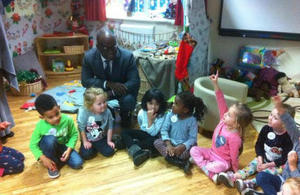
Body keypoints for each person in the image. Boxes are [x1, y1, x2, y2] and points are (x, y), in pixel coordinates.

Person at [217, 96, 294, 193]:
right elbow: (259, 145)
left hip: (277, 165)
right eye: (270, 114)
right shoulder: (266, 129)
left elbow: (284, 159)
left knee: (267, 173)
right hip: (264, 159)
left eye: (275, 118)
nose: (270, 118)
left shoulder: (288, 138)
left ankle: (250, 183)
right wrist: (260, 158)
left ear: (284, 124)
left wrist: (267, 165)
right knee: (252, 165)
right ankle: (234, 178)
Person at [190, 72, 253, 183]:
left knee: (219, 167)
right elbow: (220, 100)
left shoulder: (235, 138)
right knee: (193, 150)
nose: (225, 114)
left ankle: (207, 168)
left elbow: (234, 157)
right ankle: (211, 173)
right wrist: (215, 84)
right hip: (211, 153)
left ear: (236, 123)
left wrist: (235, 170)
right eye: (227, 112)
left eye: (229, 114)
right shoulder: (223, 121)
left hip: (223, 161)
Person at [81, 27, 140, 128]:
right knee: (88, 96)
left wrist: (112, 92)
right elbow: (85, 81)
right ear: (98, 47)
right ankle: (107, 112)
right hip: (102, 90)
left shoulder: (127, 56)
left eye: (113, 47)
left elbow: (134, 81)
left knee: (128, 100)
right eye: (106, 48)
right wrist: (107, 84)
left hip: (122, 90)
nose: (111, 51)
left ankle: (125, 116)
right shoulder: (89, 57)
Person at [242, 96, 300, 195]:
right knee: (261, 177)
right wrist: (279, 106)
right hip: (282, 180)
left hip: (293, 189)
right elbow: (290, 125)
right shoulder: (297, 141)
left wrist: (293, 166)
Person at [29, 94, 83, 179]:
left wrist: (69, 150)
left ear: (59, 108)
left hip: (63, 146)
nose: (55, 118)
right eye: (50, 117)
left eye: (57, 113)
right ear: (42, 117)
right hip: (49, 145)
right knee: (50, 139)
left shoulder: (67, 119)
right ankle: (52, 162)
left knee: (78, 163)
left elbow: (74, 134)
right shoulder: (40, 126)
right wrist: (43, 158)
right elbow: (32, 145)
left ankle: (57, 159)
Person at [153, 90, 206, 174]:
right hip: (171, 142)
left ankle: (170, 158)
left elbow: (193, 138)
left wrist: (183, 146)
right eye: (174, 102)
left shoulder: (192, 120)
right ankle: (181, 163)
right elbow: (164, 130)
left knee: (192, 150)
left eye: (176, 104)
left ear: (185, 110)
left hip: (183, 146)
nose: (172, 105)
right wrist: (169, 145)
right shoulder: (170, 114)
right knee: (157, 142)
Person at [121, 88, 167, 166]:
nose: (153, 107)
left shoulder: (162, 116)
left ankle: (129, 145)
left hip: (155, 138)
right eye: (150, 103)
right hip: (145, 134)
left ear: (161, 104)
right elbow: (141, 128)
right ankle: (137, 152)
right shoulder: (141, 112)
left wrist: (150, 120)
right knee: (124, 132)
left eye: (157, 104)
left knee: (154, 143)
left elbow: (153, 134)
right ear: (146, 103)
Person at [77, 87, 115, 160]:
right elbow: (81, 128)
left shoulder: (108, 112)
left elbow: (110, 127)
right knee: (86, 155)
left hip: (100, 138)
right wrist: (85, 142)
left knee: (110, 152)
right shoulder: (83, 112)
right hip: (88, 138)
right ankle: (93, 149)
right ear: (91, 106)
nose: (103, 105)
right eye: (99, 104)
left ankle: (96, 148)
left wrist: (109, 141)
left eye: (104, 102)